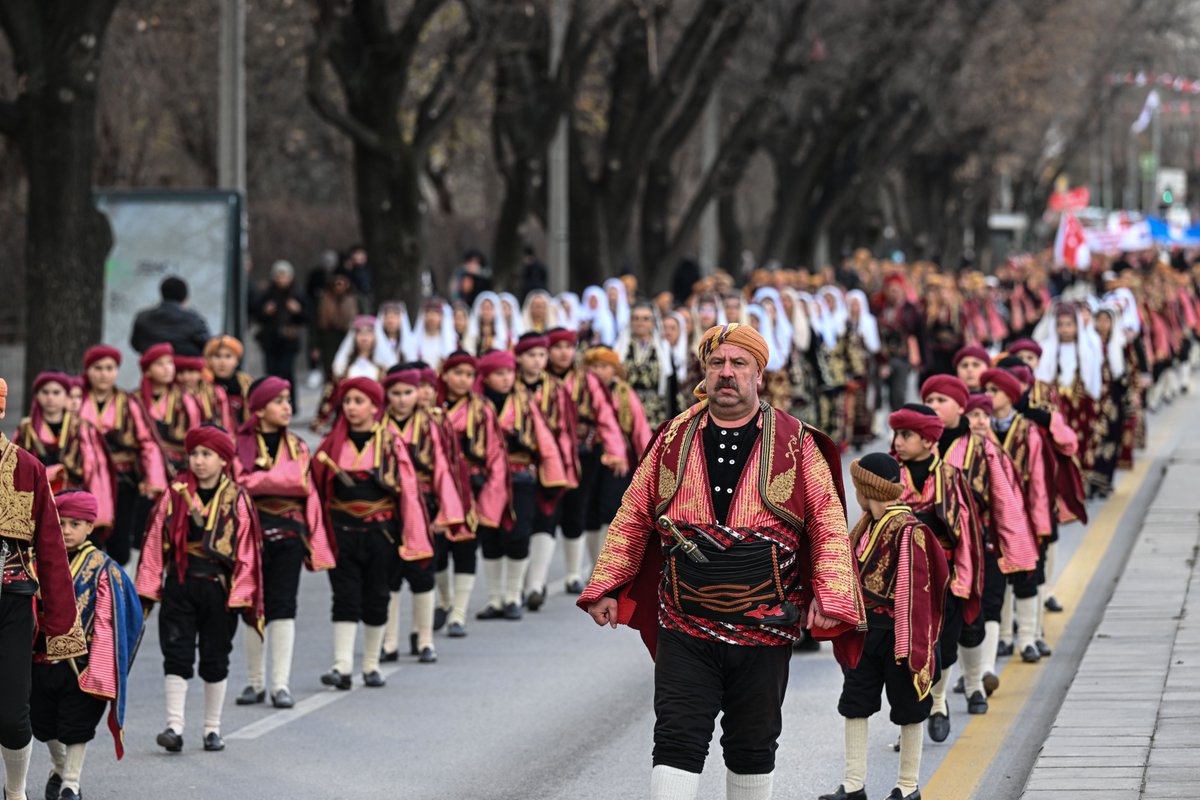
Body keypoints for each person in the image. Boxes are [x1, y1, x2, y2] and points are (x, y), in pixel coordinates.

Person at [579, 323, 866, 800]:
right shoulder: (671, 437)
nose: (726, 374)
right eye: (717, 364)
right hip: (685, 622)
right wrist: (606, 584)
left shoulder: (798, 442)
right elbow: (633, 516)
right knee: (675, 740)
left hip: (767, 623)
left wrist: (830, 596)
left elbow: (828, 525)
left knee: (752, 747)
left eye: (738, 364)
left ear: (760, 374)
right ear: (704, 371)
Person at [820, 455, 948, 800]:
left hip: (897, 636)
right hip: (866, 632)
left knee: (909, 706)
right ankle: (853, 784)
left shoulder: (909, 530)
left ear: (866, 489)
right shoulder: (865, 525)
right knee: (855, 702)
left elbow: (918, 594)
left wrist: (912, 646)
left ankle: (908, 786)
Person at [136, 425, 263, 753]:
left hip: (219, 589)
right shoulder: (175, 494)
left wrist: (242, 593)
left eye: (207, 454)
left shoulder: (238, 498)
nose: (199, 460)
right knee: (176, 653)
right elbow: (154, 541)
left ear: (223, 460)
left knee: (215, 657)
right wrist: (149, 586)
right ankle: (174, 726)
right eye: (194, 454)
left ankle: (212, 728)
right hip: (181, 582)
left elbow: (247, 548)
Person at [0, 378, 89, 800]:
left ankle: (15, 792)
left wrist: (60, 621)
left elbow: (51, 549)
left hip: (12, 604)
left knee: (13, 715)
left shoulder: (27, 468)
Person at [311, 378, 431, 690]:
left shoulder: (391, 443)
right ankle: (342, 665)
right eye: (347, 401)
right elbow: (315, 490)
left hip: (382, 534)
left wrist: (413, 537)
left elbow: (408, 493)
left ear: (375, 407)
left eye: (359, 401)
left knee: (377, 595)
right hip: (342, 532)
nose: (351, 407)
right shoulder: (330, 445)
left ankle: (371, 664)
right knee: (345, 596)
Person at [31, 490, 143, 800]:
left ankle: (71, 783)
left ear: (90, 527)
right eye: (61, 522)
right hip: (40, 658)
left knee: (76, 724)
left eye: (75, 524)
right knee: (43, 724)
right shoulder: (37, 559)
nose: (66, 530)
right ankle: (59, 765)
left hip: (81, 665)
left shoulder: (104, 568)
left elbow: (120, 617)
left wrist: (100, 663)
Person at [233, 378, 336, 708]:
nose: (288, 407)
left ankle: (280, 684)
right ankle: (254, 682)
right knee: (251, 605)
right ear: (260, 409)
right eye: (279, 401)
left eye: (288, 400)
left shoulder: (298, 446)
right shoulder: (240, 445)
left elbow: (302, 484)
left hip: (289, 536)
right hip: (251, 535)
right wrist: (282, 480)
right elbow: (239, 484)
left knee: (284, 606)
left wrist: (261, 482)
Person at [888, 403, 978, 743]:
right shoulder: (889, 476)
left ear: (928, 440)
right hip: (902, 579)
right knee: (907, 650)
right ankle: (909, 724)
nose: (898, 441)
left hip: (946, 576)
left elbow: (965, 530)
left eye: (906, 434)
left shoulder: (951, 477)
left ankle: (938, 703)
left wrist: (964, 578)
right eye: (896, 433)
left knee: (946, 648)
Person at [381, 366, 468, 663]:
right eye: (396, 393)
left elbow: (444, 468)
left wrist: (446, 511)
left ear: (419, 393)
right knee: (389, 575)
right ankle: (388, 641)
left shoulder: (431, 424)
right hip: (389, 507)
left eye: (408, 392)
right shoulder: (380, 425)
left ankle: (424, 638)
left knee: (422, 571)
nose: (403, 399)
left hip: (425, 506)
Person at [473, 349, 567, 621]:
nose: (506, 379)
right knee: (490, 535)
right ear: (486, 376)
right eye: (498, 373)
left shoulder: (524, 402)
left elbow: (544, 440)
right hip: (487, 479)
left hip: (521, 477)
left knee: (519, 535)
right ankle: (495, 599)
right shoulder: (477, 406)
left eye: (508, 373)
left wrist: (555, 474)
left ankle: (514, 596)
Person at [548, 332, 628, 593]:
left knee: (581, 508)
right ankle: (530, 585)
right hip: (547, 456)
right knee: (544, 515)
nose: (562, 352)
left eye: (567, 347)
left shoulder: (588, 382)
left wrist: (618, 452)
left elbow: (608, 419)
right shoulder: (539, 381)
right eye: (556, 347)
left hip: (585, 454)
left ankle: (575, 574)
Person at [437, 352, 508, 636]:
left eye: (468, 375)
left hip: (471, 488)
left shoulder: (482, 409)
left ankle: (458, 614)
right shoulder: (431, 407)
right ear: (444, 375)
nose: (463, 380)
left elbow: (495, 453)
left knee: (466, 547)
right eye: (457, 373)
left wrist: (491, 498)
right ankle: (444, 600)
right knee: (438, 551)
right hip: (439, 489)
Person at [14, 371, 116, 539]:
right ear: (37, 396)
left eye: (56, 392)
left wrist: (99, 513)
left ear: (66, 396)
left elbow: (96, 471)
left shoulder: (83, 428)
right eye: (45, 392)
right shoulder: (25, 429)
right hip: (37, 503)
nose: (50, 398)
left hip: (73, 502)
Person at [252, 260, 309, 402]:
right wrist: (265, 312)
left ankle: (289, 402)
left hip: (289, 340)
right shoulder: (267, 295)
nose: (281, 280)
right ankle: (271, 400)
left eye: (284, 276)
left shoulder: (297, 294)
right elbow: (256, 314)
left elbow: (307, 317)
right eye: (278, 276)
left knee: (287, 372)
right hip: (270, 341)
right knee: (271, 374)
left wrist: (298, 311)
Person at [130, 277, 212, 357]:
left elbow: (136, 345)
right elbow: (209, 346)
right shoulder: (194, 319)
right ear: (185, 297)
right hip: (185, 369)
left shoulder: (143, 317)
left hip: (153, 367)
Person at [174, 355, 235, 432]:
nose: (186, 377)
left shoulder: (215, 392)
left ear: (200, 372)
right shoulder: (174, 394)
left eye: (191, 371)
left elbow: (225, 419)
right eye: (181, 372)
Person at [204, 335, 254, 426]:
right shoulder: (204, 386)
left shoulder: (246, 384)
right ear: (209, 360)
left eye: (228, 356)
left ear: (237, 361)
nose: (222, 362)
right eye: (217, 356)